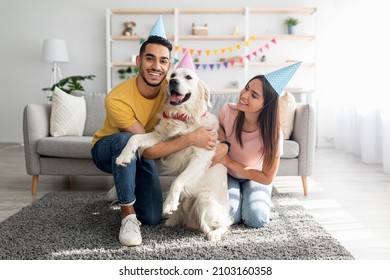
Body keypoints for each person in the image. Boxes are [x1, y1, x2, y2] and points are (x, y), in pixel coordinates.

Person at [91, 17, 217, 246]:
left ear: (168, 67)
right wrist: (191, 138)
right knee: (126, 139)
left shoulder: (170, 92)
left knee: (151, 216)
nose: (156, 66)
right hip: (110, 149)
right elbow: (148, 150)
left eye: (163, 61)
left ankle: (125, 186)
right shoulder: (117, 98)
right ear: (139, 61)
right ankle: (127, 215)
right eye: (150, 59)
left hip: (145, 147)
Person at [212, 62, 302, 228]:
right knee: (230, 214)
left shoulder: (273, 134)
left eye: (253, 95)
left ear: (266, 105)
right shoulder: (228, 111)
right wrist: (224, 143)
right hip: (228, 174)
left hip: (254, 177)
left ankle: (256, 199)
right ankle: (239, 197)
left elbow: (267, 178)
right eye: (246, 88)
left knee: (256, 219)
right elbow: (218, 127)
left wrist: (230, 162)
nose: (244, 95)